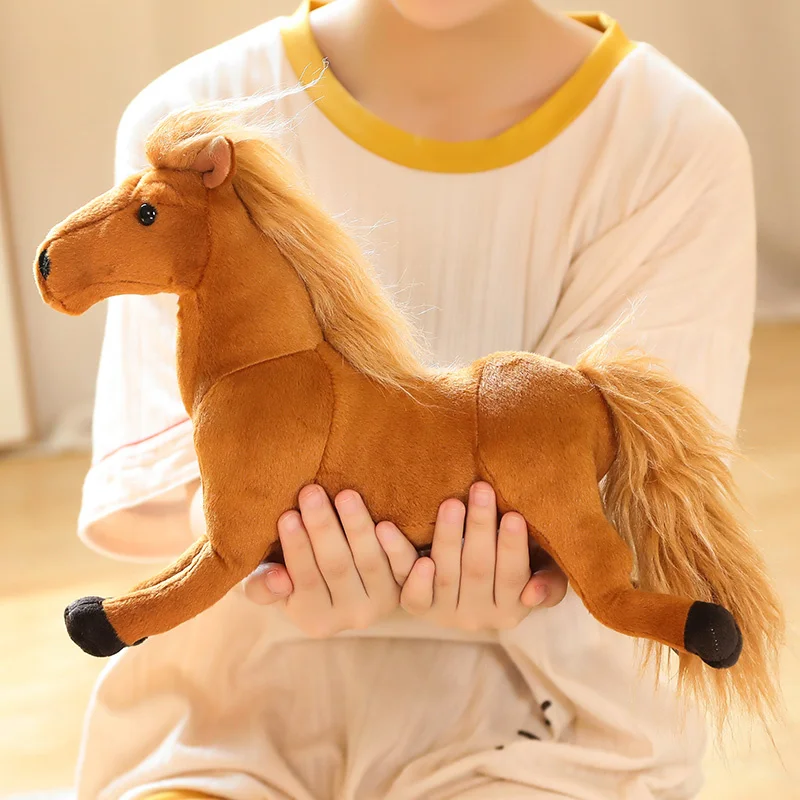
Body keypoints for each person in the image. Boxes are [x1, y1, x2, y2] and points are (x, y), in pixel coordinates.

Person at [74, 0, 756, 798]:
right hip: (224, 722)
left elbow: (637, 506)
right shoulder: (192, 128)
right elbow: (173, 490)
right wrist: (265, 540)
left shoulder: (674, 142)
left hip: (562, 736)